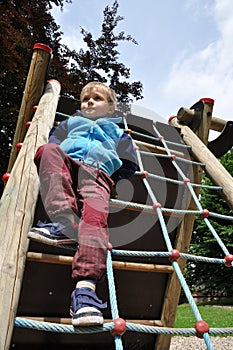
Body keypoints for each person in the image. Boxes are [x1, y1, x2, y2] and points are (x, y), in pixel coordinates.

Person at [28, 82, 139, 327]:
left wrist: (112, 178)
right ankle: (64, 223)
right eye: (85, 99)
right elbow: (54, 142)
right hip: (68, 165)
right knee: (46, 151)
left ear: (110, 108)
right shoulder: (70, 124)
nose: (89, 101)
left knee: (95, 220)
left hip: (98, 173)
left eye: (96, 98)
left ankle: (85, 292)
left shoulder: (118, 132)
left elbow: (130, 163)